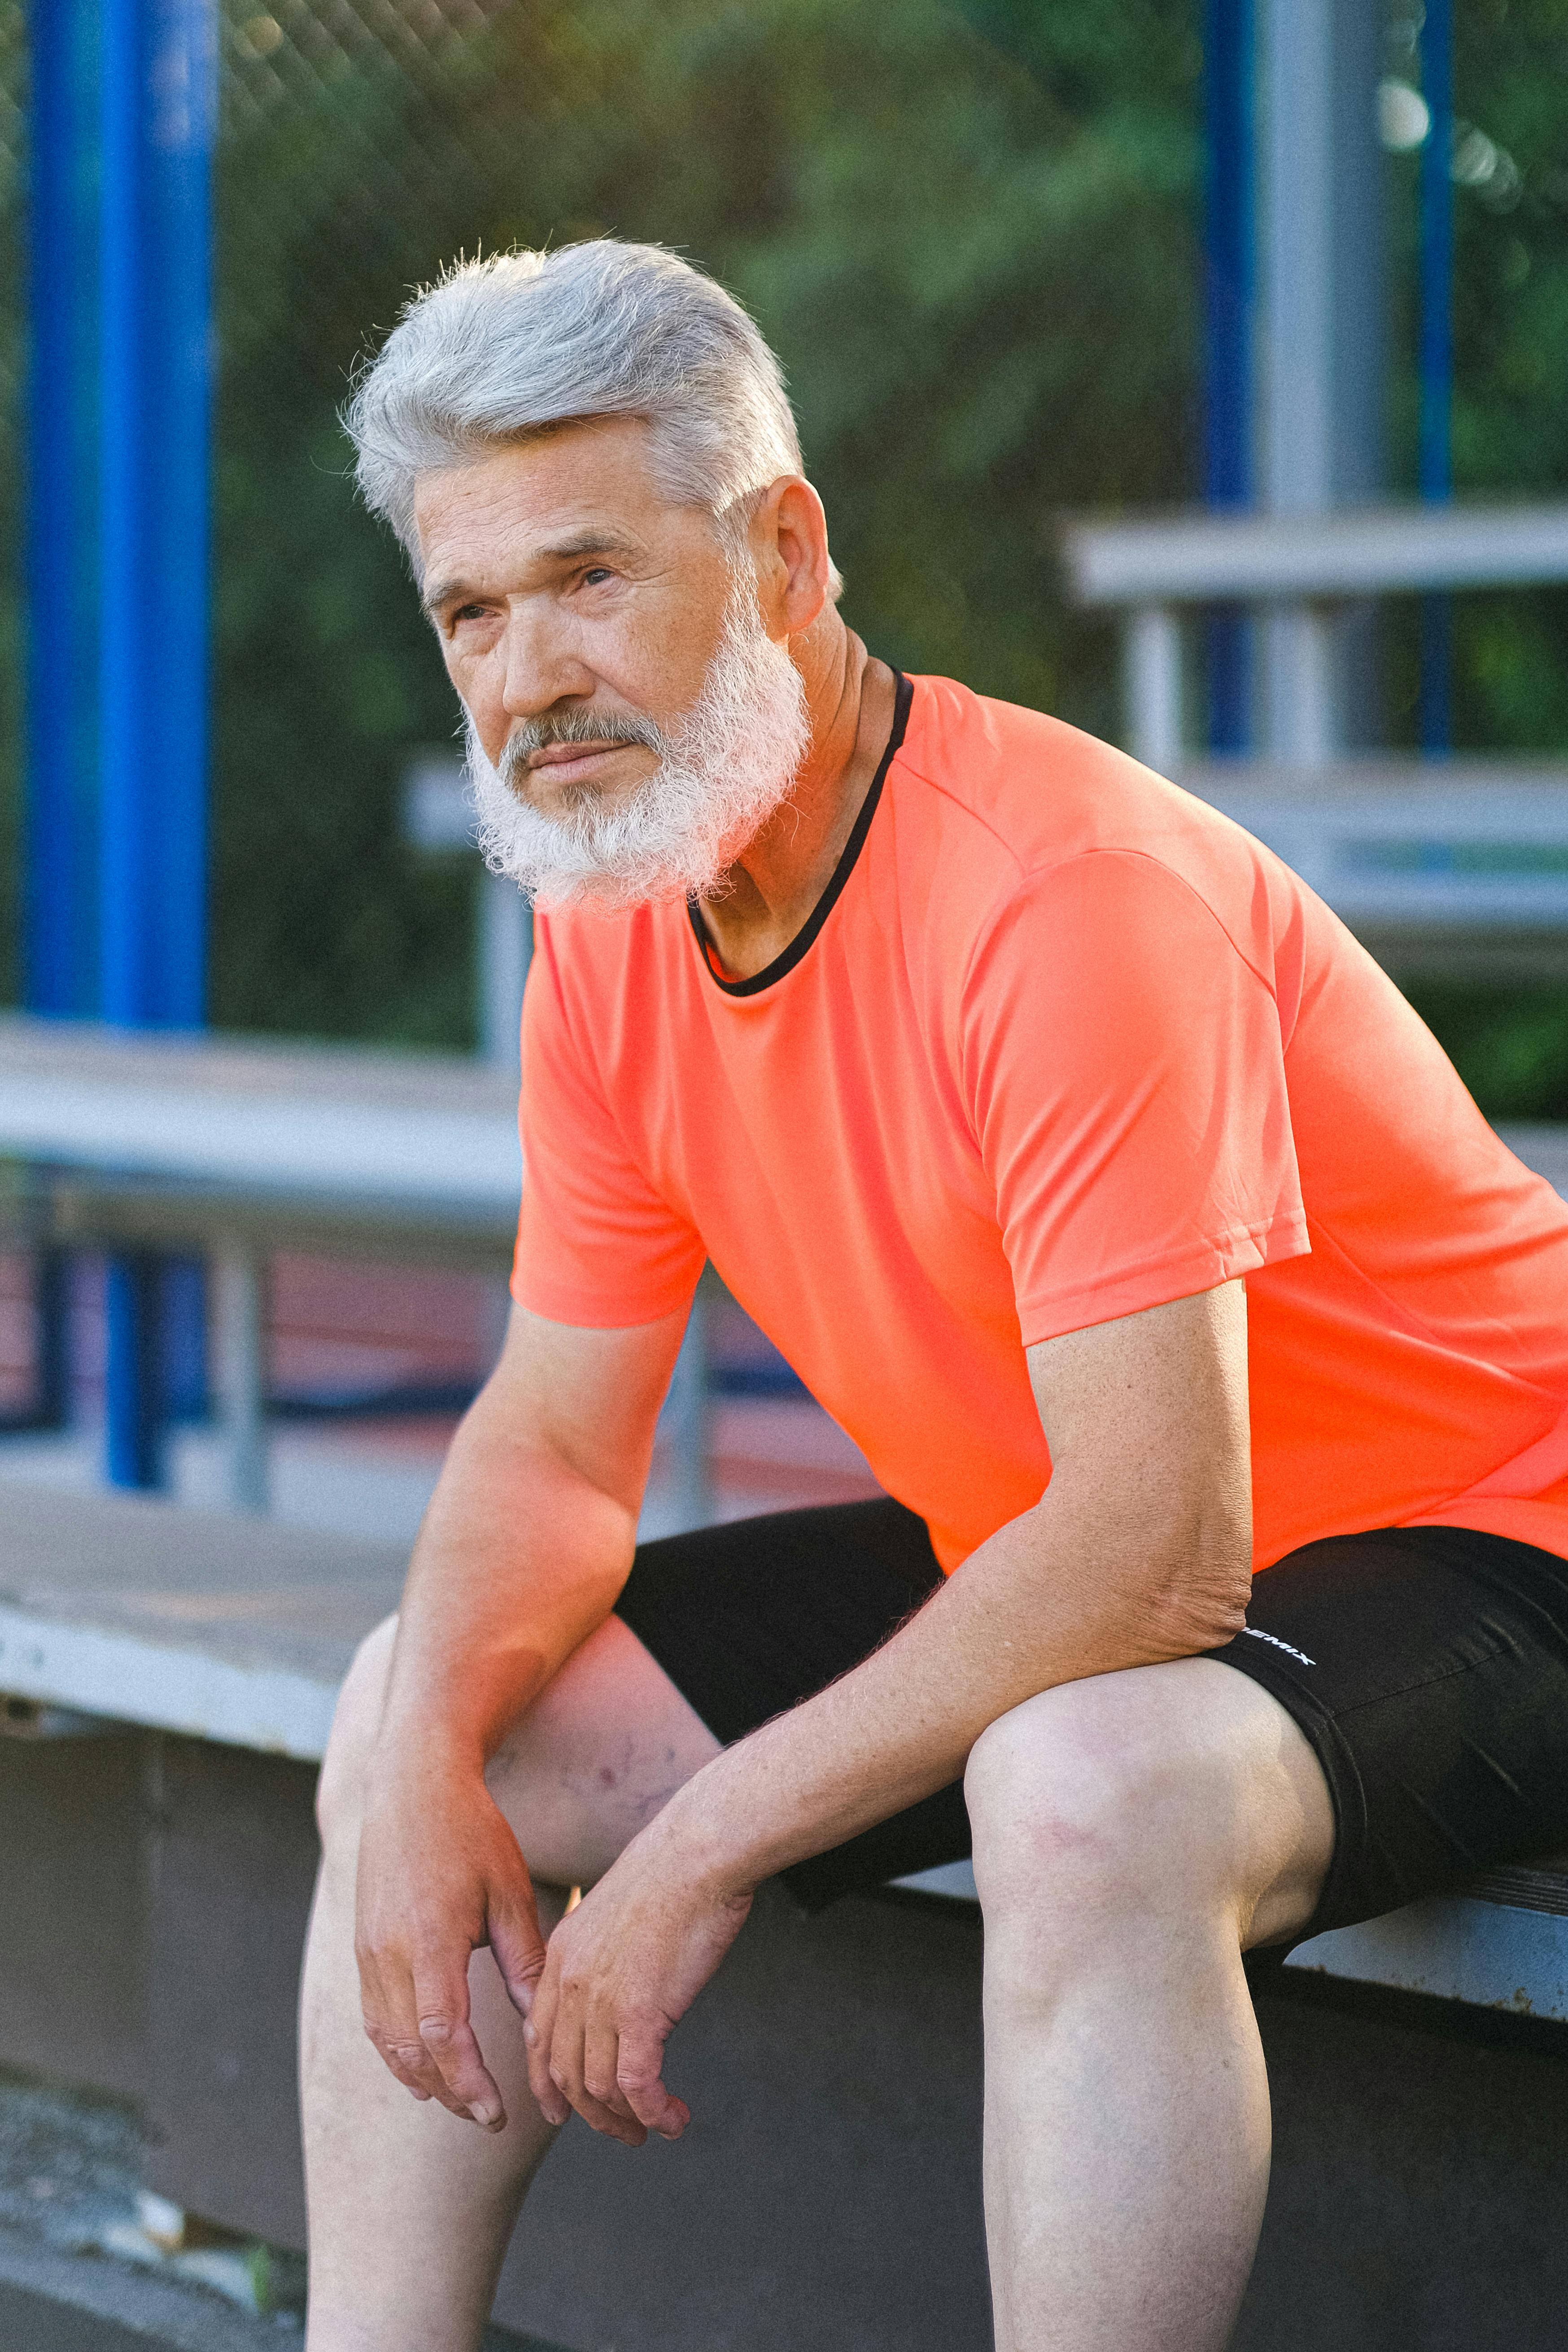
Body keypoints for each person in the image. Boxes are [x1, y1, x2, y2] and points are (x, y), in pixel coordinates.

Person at [304, 239, 1568, 2352]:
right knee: (417, 1711)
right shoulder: (619, 904)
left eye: (591, 576)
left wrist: (701, 1846)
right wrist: (427, 1765)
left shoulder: (1063, 904)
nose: (528, 674)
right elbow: (548, 1431)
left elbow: (1153, 1545)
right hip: (1078, 1532)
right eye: (471, 611)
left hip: (1495, 1534)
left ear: (781, 552)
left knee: (1082, 1782)